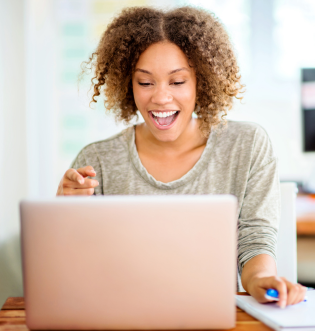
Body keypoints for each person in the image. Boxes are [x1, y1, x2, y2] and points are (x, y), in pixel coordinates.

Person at [56, 6, 306, 307]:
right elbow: (76, 270)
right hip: (121, 315)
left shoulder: (247, 145)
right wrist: (66, 216)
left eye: (177, 82)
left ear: (202, 81)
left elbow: (255, 238)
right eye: (145, 82)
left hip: (210, 315)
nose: (161, 97)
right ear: (127, 84)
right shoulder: (97, 159)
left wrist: (258, 280)